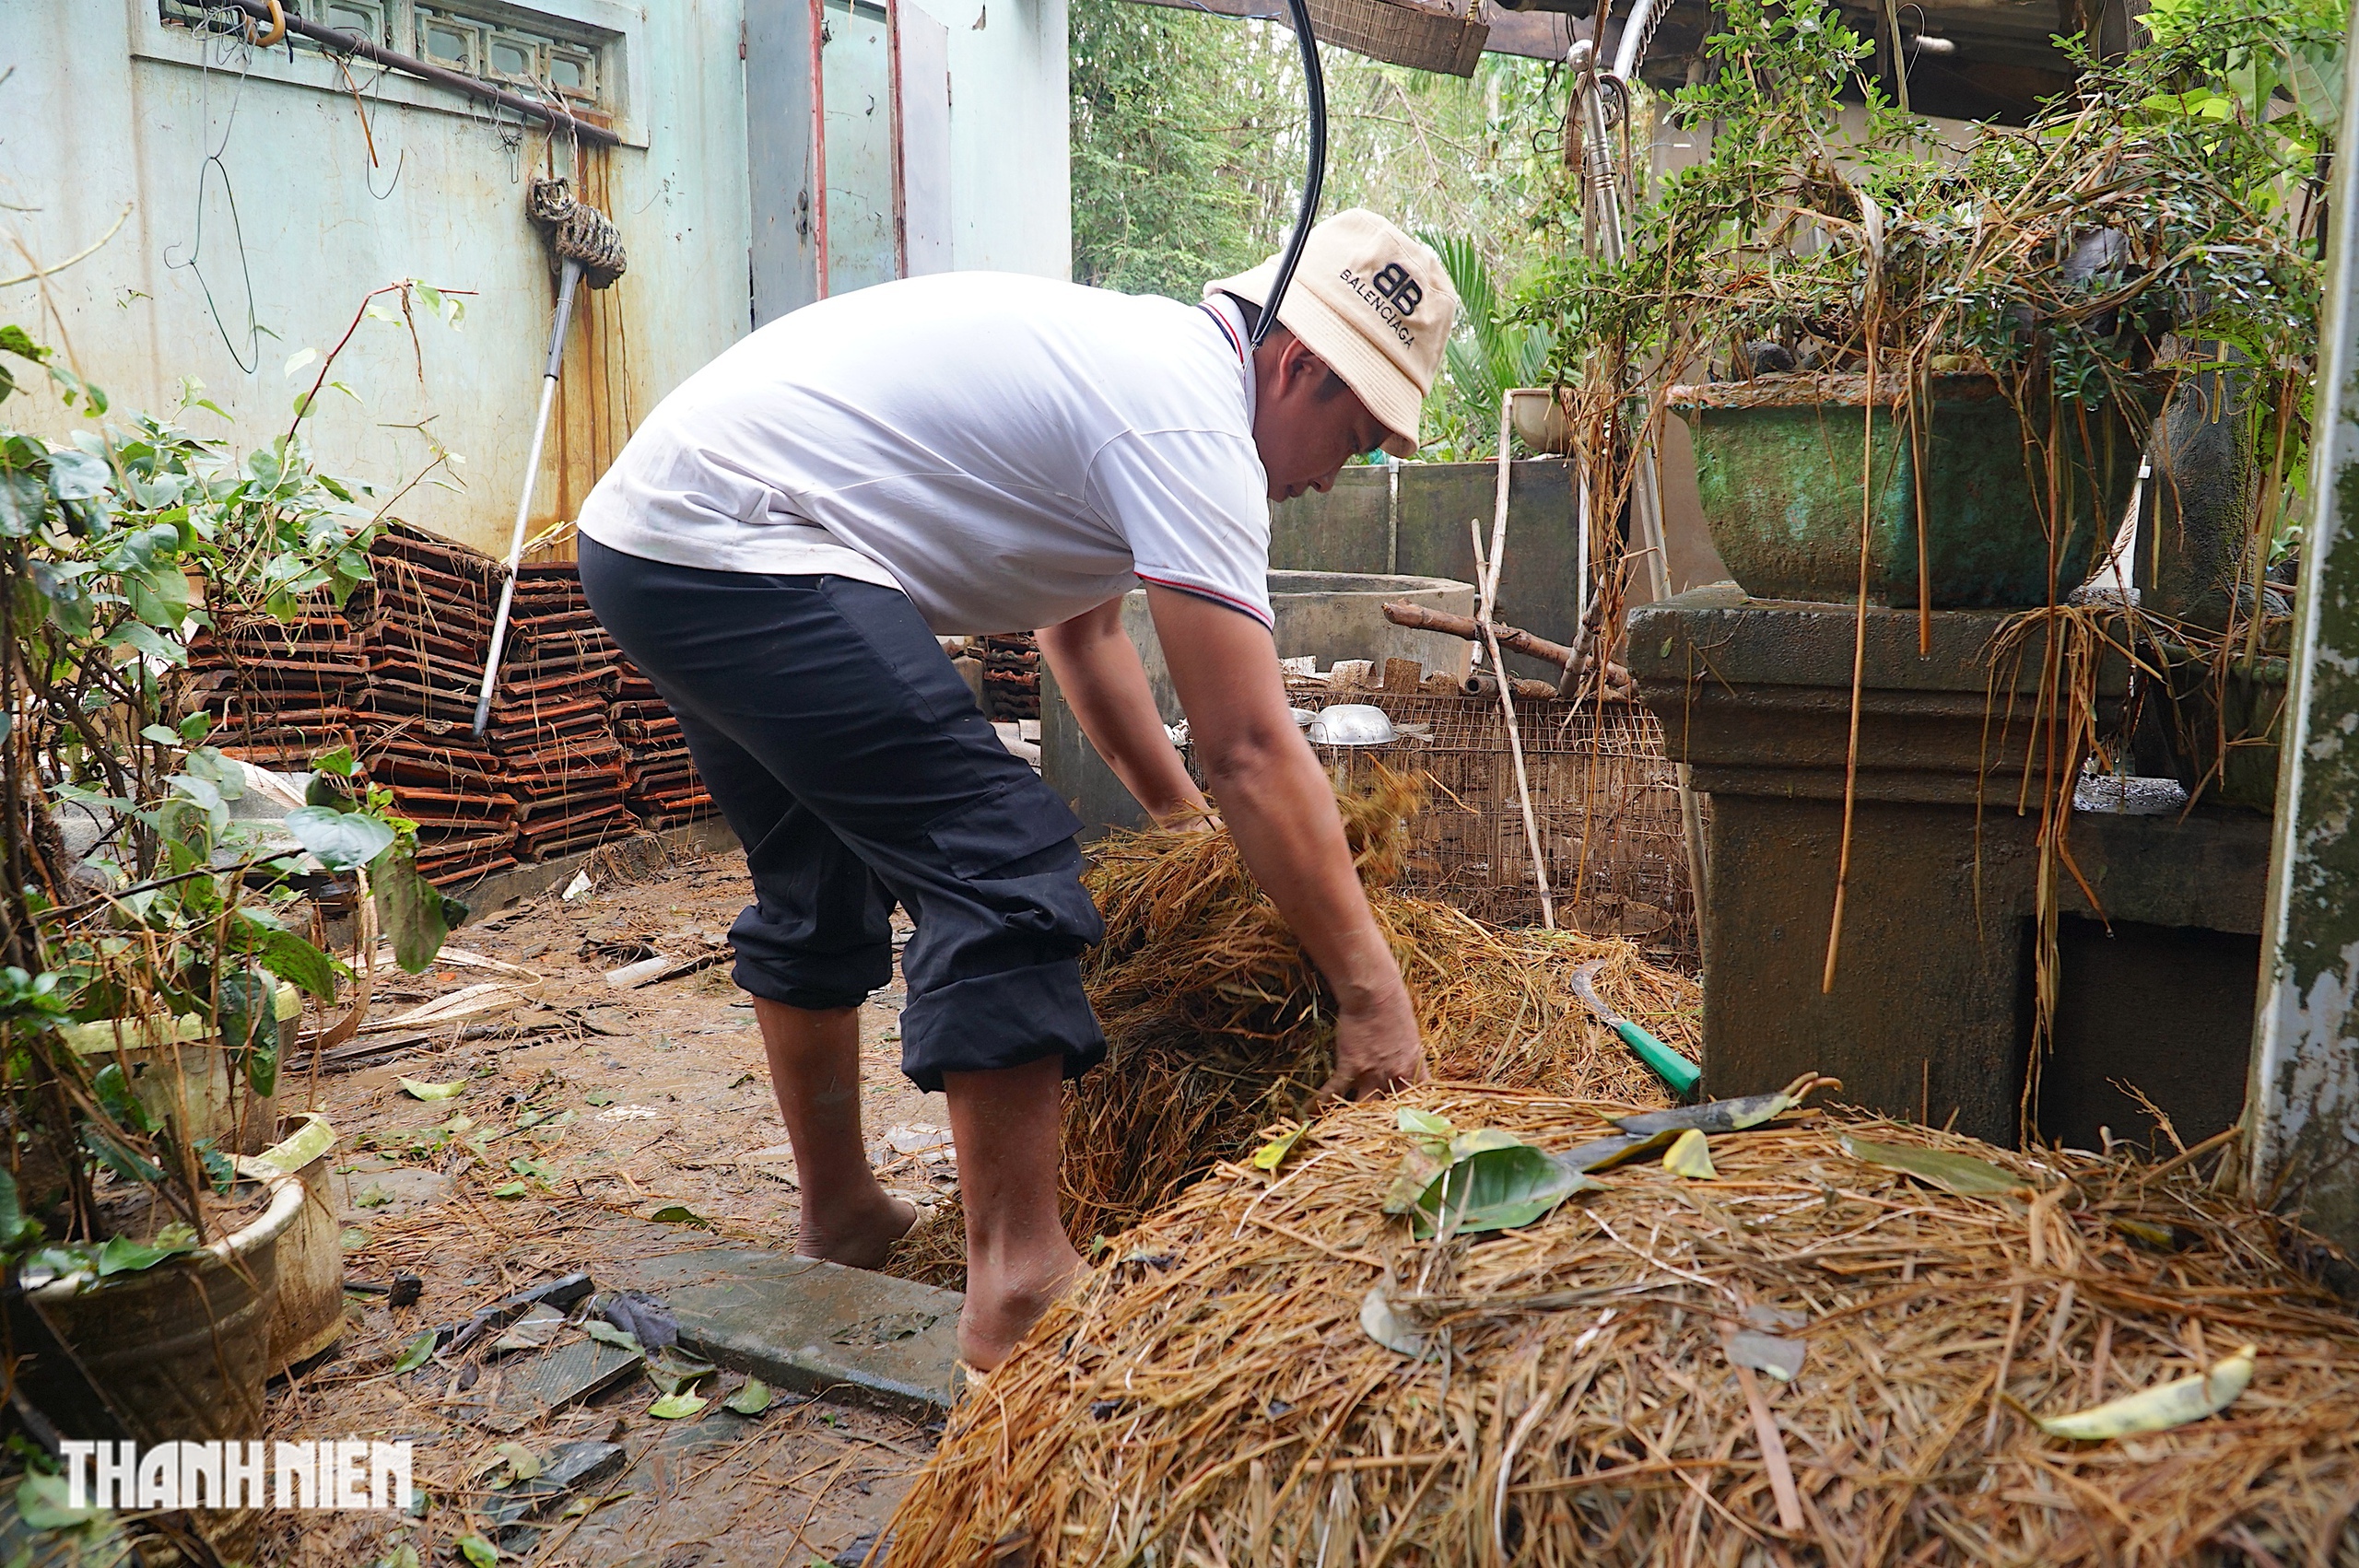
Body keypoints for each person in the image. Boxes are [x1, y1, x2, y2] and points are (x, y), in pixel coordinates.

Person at [576, 210, 1458, 1369]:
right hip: (748, 540)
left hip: (657, 539)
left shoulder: (1145, 372)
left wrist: (1184, 833)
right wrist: (1371, 991)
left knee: (818, 874)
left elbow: (1080, 638)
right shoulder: (1188, 418)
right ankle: (1023, 1280)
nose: (1345, 471)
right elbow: (1249, 745)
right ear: (1297, 364)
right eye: (1361, 434)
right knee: (1004, 859)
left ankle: (838, 1215)